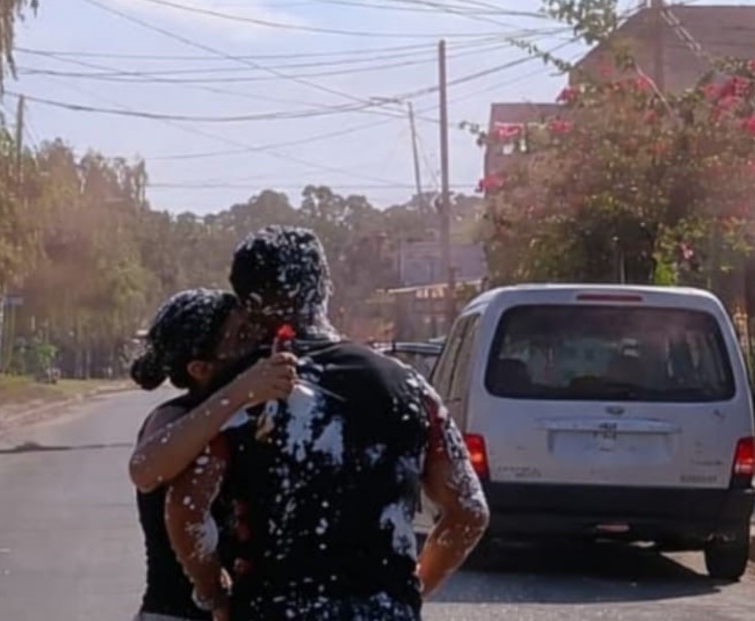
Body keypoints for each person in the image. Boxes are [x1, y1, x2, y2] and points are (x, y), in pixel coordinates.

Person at [167, 226, 490, 621]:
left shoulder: (241, 390)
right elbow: (469, 510)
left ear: (247, 302)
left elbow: (187, 510)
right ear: (324, 287)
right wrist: (407, 591)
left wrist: (214, 594)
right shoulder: (408, 386)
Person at [127, 288, 297, 620]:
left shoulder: (252, 414)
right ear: (200, 369)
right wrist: (239, 392)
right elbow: (145, 469)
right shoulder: (177, 414)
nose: (255, 343)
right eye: (240, 337)